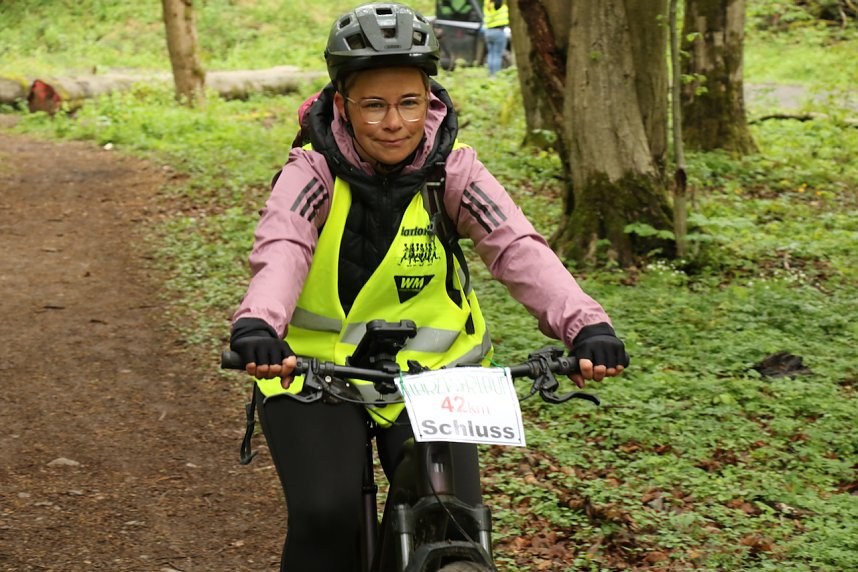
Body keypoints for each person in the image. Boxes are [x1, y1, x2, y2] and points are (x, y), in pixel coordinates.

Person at [229, 3, 628, 570]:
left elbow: (516, 246)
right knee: (329, 517)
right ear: (341, 104)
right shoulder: (312, 170)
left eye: (408, 103)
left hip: (437, 378)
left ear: (430, 100)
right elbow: (283, 245)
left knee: (452, 515)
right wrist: (259, 325)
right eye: (373, 105)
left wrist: (584, 323)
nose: (394, 122)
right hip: (315, 374)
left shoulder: (455, 171)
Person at [482, 0, 509, 78]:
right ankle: (495, 76)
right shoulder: (500, 2)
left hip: (488, 31)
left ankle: (491, 75)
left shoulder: (487, 1)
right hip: (498, 31)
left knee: (491, 54)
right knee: (497, 55)